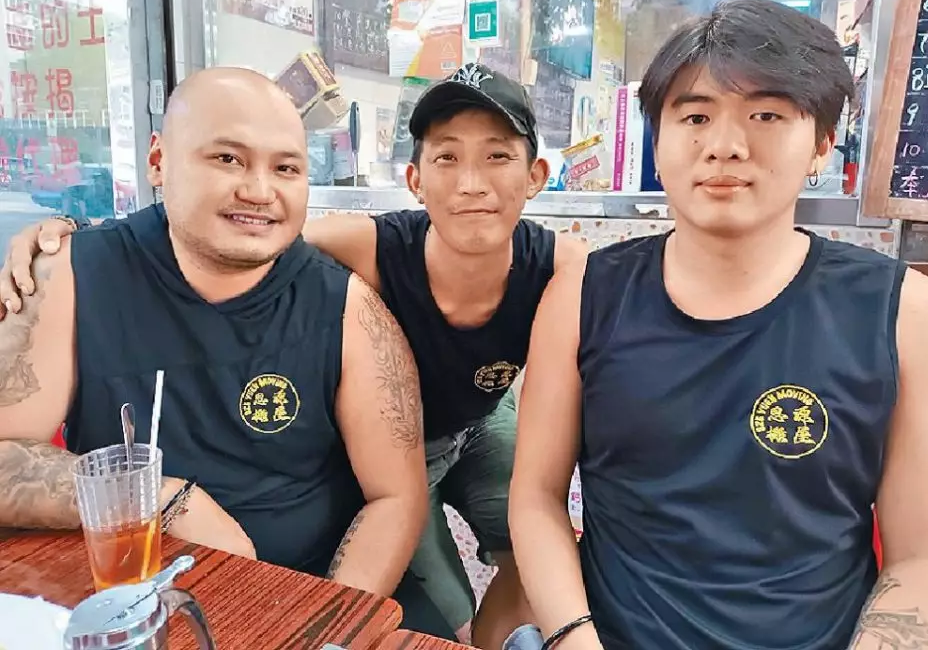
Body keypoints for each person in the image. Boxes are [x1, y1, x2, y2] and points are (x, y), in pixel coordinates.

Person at [0, 62, 587, 649]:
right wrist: (158, 497)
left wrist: (321, 633)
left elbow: (395, 495)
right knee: (456, 595)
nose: (259, 191)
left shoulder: (350, 304)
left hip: (431, 464)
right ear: (159, 160)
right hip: (134, 599)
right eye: (227, 158)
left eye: (285, 168)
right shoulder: (71, 276)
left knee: (518, 555)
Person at [509, 0, 928, 649]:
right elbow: (536, 497)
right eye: (695, 117)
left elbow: (922, 557)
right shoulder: (581, 297)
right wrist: (573, 636)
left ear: (822, 143)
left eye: (765, 115)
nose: (724, 147)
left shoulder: (905, 313)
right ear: (658, 139)